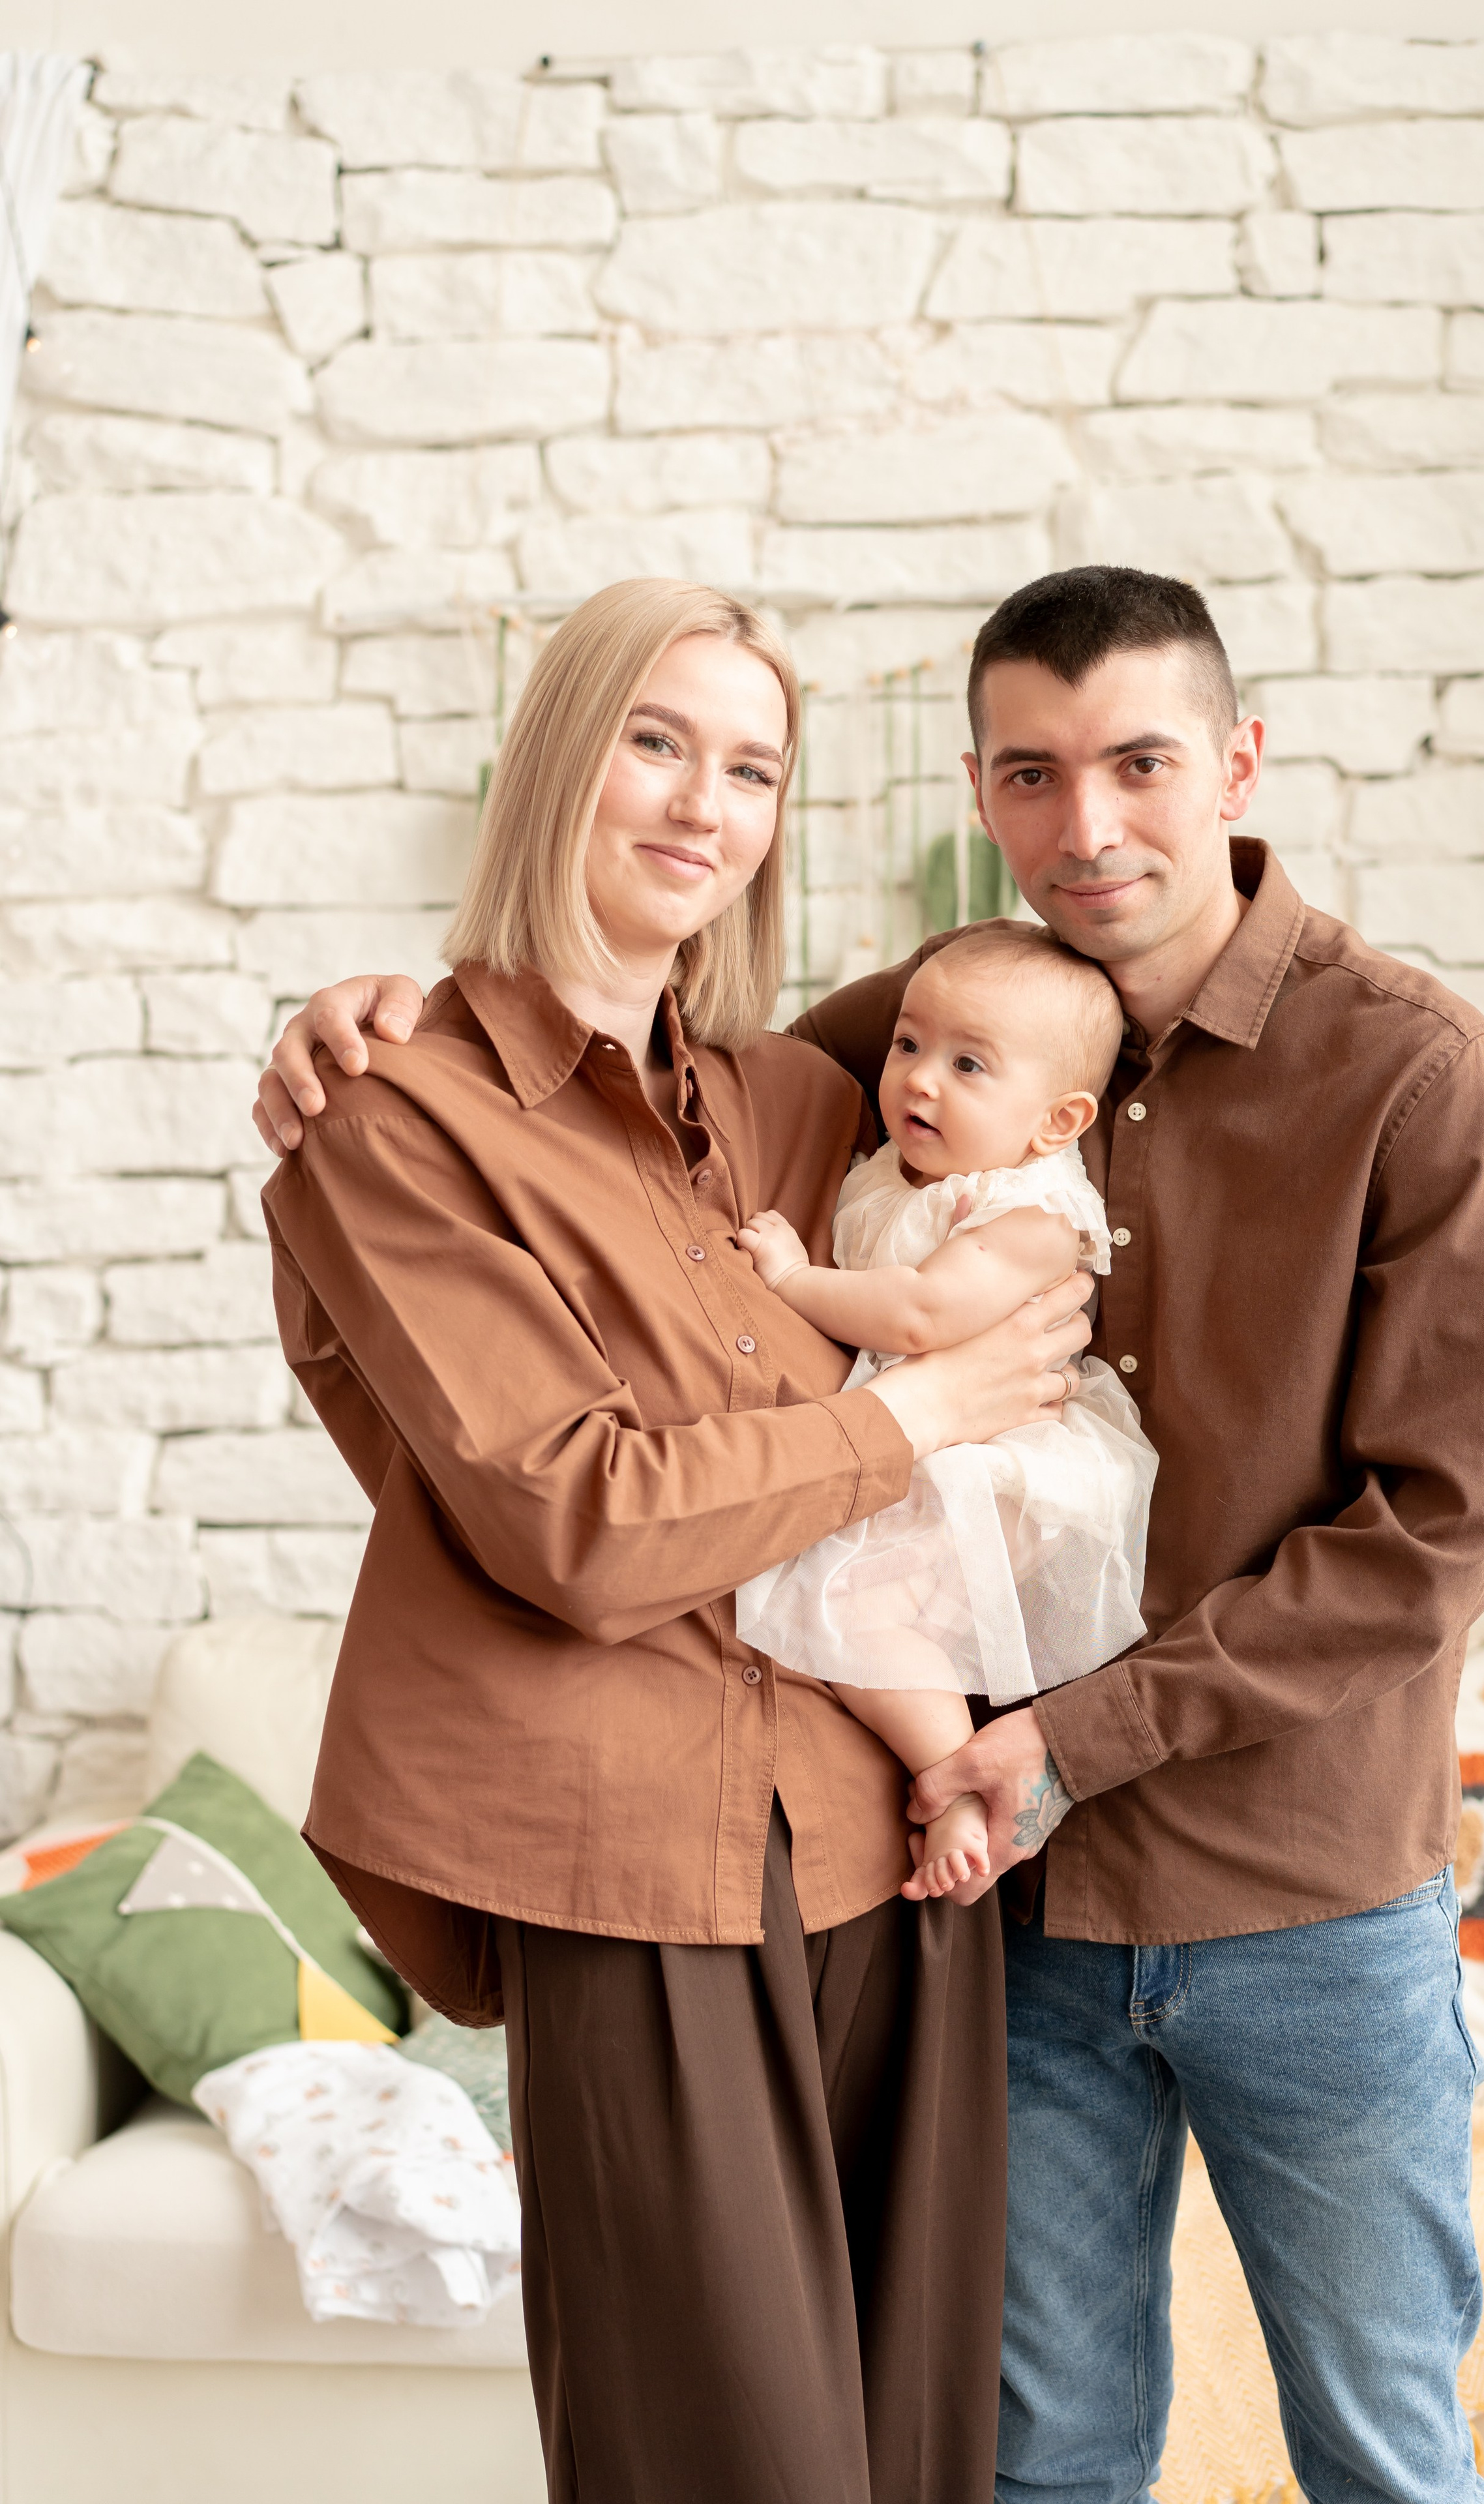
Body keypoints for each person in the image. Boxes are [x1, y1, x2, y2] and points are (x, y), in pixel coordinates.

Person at [256, 565, 1484, 2504]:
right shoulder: (925, 1028)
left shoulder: (1413, 1072)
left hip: (1287, 1893)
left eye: (1139, 764)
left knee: (1377, 2449)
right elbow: (584, 1068)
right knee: (1030, 2466)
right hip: (1000, 1907)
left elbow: (1435, 1537)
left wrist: (1050, 1743)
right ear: (981, 791)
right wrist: (370, 1008)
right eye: (1033, 774)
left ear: (1239, 763)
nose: (1086, 824)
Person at [254, 574, 1095, 2504]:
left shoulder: (811, 1100)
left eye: (752, 768)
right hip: (625, 1858)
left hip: (893, 1854)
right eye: (653, 741)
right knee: (731, 2471)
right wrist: (915, 1416)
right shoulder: (397, 1116)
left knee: (914, 2461)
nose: (700, 805)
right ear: (557, 758)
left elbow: (1057, 1005)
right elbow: (574, 1514)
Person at [735, 920, 1157, 1905]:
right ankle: (959, 1773)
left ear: (1056, 1122)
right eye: (909, 1045)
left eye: (969, 1065)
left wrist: (796, 1282)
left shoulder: (1029, 1215)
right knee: (860, 1621)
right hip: (928, 1445)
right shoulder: (898, 1168)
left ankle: (960, 1785)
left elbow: (925, 1315)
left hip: (1002, 1466)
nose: (920, 1080)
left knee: (859, 1619)